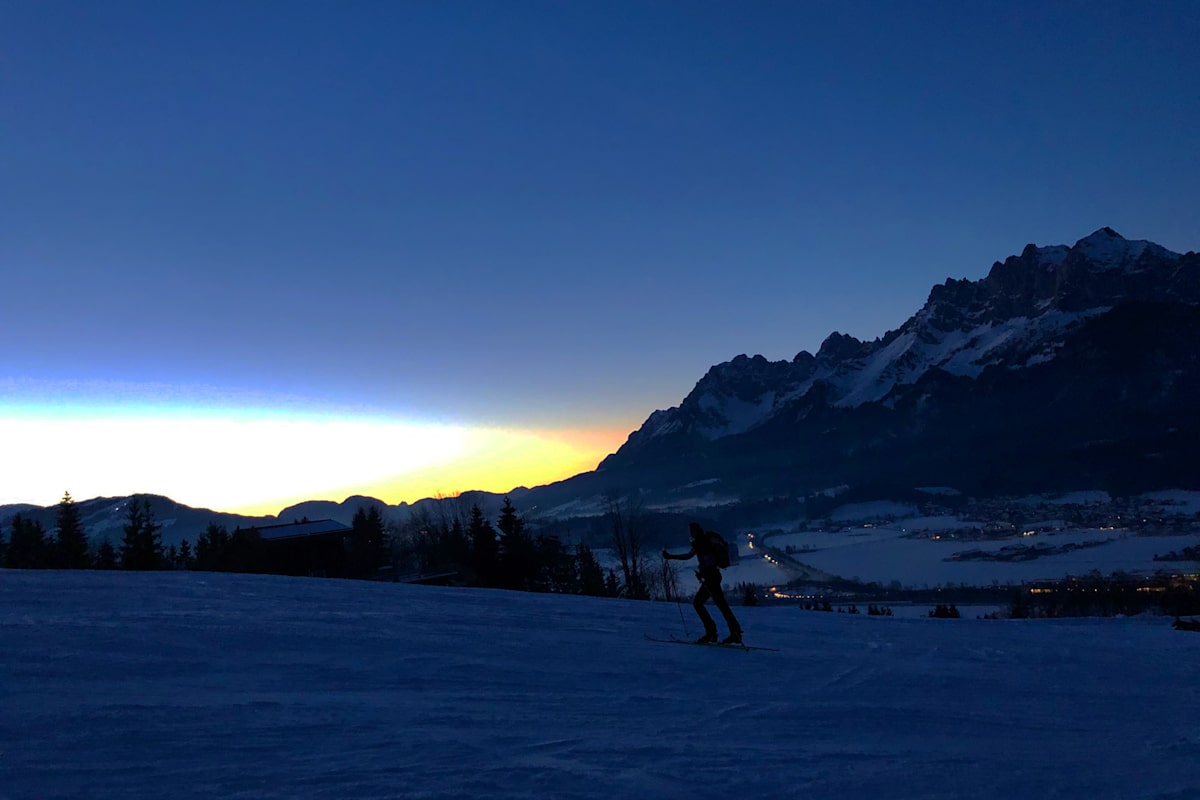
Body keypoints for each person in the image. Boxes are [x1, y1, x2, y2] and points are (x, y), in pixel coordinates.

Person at [662, 522, 742, 644]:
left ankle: (713, 633)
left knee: (700, 603)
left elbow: (690, 556)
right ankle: (732, 632)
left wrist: (671, 557)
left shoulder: (700, 543)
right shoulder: (705, 541)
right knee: (719, 605)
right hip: (713, 576)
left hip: (710, 578)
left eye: (690, 531)